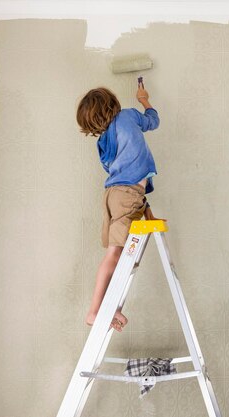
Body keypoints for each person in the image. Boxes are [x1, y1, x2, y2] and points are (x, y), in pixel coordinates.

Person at [76, 81, 161, 331]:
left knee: (125, 253)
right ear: (113, 104)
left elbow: (111, 168)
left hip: (113, 194)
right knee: (117, 254)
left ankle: (112, 306)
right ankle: (94, 311)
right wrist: (144, 100)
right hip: (127, 193)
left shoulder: (102, 141)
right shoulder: (127, 116)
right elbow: (153, 121)